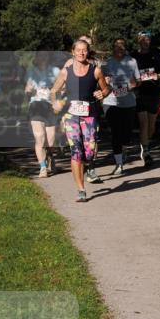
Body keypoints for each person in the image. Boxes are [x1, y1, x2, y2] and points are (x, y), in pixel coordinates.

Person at [51, 39, 111, 202]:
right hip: (71, 115)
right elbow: (54, 90)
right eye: (78, 50)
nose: (81, 53)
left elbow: (106, 88)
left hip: (90, 114)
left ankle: (86, 165)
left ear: (88, 52)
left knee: (89, 152)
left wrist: (103, 93)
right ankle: (81, 189)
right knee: (76, 151)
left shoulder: (95, 70)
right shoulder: (66, 71)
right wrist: (55, 102)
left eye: (84, 50)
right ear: (73, 52)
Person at [101, 38, 139, 176]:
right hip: (110, 101)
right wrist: (104, 84)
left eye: (122, 46)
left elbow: (137, 81)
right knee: (115, 133)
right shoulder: (106, 63)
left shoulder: (132, 61)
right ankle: (119, 164)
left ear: (125, 48)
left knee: (126, 134)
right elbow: (100, 82)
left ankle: (123, 149)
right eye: (117, 46)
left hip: (128, 102)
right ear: (113, 48)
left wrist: (133, 84)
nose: (119, 48)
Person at [132, 31, 160, 165]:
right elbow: (128, 72)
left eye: (148, 39)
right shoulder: (133, 56)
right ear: (138, 40)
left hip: (153, 92)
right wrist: (134, 81)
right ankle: (146, 151)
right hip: (139, 92)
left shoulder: (156, 54)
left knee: (151, 126)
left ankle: (144, 143)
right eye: (143, 39)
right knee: (143, 123)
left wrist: (159, 75)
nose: (145, 41)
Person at [25, 51, 61, 177]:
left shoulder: (56, 71)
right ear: (36, 57)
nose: (43, 57)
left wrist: (55, 91)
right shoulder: (31, 71)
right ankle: (43, 167)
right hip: (36, 106)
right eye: (40, 55)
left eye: (45, 55)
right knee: (40, 138)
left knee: (51, 142)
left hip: (50, 107)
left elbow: (64, 86)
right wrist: (28, 90)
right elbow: (27, 89)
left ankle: (51, 158)